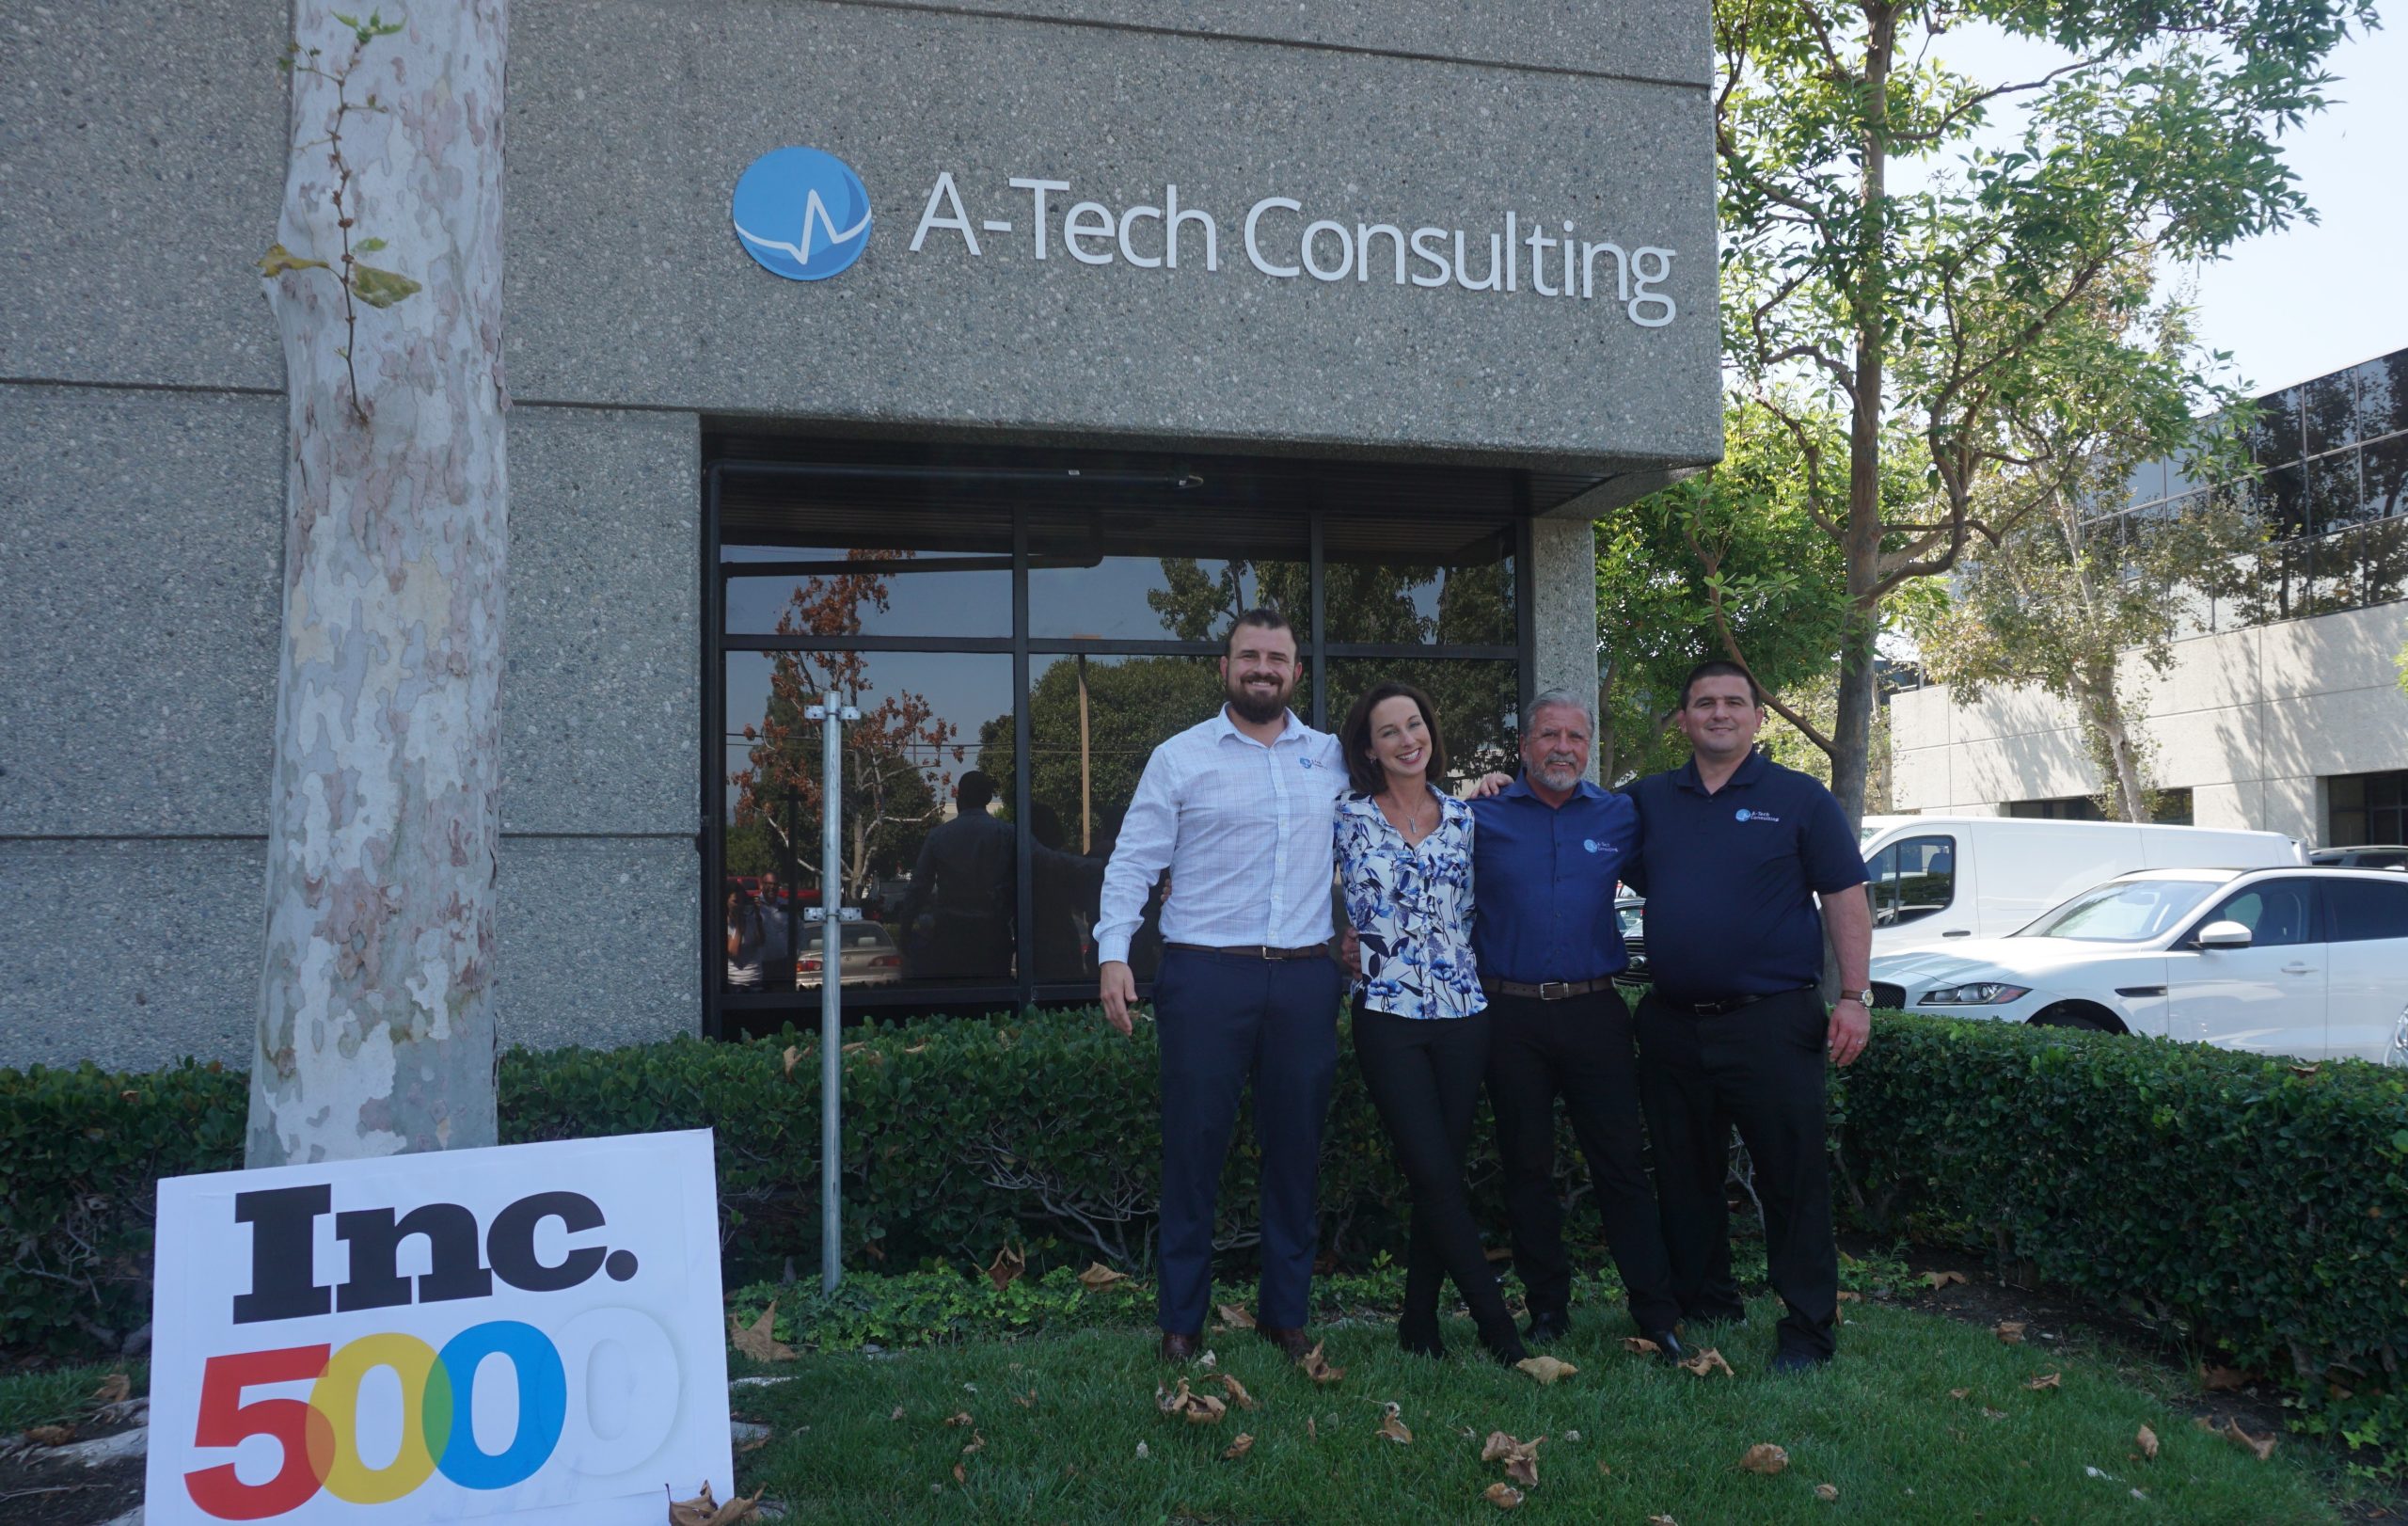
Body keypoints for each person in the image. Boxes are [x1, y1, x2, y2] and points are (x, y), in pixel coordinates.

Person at [1097, 609, 1347, 1363]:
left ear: (1296, 671)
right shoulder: (1179, 757)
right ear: (1225, 667)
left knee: (1295, 1153)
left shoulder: (1333, 757)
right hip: (1205, 976)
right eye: (1249, 656)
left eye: (1277, 657)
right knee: (1194, 1151)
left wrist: (1487, 787)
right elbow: (1133, 862)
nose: (1263, 668)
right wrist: (1114, 954)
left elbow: (1401, 808)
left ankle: (1284, 1315)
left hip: (1305, 978)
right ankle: (1181, 1323)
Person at [1623, 660, 1872, 1372]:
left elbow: (1845, 898)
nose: (1720, 713)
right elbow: (1570, 825)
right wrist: (1498, 787)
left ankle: (1808, 1328)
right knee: (1684, 1176)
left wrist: (1853, 997)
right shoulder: (1646, 801)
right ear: (1682, 720)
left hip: (1772, 1020)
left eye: (1735, 702)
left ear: (1759, 719)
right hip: (1672, 1022)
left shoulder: (1800, 798)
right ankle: (1708, 1301)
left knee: (1793, 1178)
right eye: (1704, 703)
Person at [1466, 691, 1686, 1359]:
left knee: (1621, 1164)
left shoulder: (1620, 815)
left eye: (1576, 737)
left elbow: (1681, 871)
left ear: (1588, 747)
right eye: (1549, 735)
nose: (1563, 748)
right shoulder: (1479, 815)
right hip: (1509, 1014)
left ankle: (1655, 1311)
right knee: (1526, 1168)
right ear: (1524, 744)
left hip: (1595, 1012)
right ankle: (1547, 1310)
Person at [1334, 682, 1526, 1364]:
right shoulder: (1347, 817)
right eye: (1389, 731)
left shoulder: (1468, 817)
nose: (1407, 739)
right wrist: (1335, 942)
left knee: (1437, 1173)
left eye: (1414, 724)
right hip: (1388, 1016)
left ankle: (1418, 1324)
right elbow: (1294, 887)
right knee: (1434, 1173)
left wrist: (1498, 784)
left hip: (1464, 1015)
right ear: (1369, 749)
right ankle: (1499, 1330)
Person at [898, 771, 1016, 979]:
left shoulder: (939, 836)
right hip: (993, 935)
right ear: (988, 798)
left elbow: (919, 887)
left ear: (960, 798)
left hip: (950, 935)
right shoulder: (1006, 834)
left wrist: (905, 929)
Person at [757, 869, 795, 992]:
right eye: (768, 884)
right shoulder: (754, 905)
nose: (772, 887)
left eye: (775, 884)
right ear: (761, 885)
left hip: (783, 965)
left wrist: (797, 953)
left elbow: (799, 930)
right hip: (760, 965)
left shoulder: (786, 905)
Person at [724, 886, 766, 992]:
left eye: (742, 901)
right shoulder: (725, 924)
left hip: (755, 978)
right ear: (727, 902)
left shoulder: (751, 920)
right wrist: (739, 929)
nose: (739, 905)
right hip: (735, 982)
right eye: (735, 901)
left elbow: (761, 941)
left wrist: (757, 914)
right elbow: (733, 953)